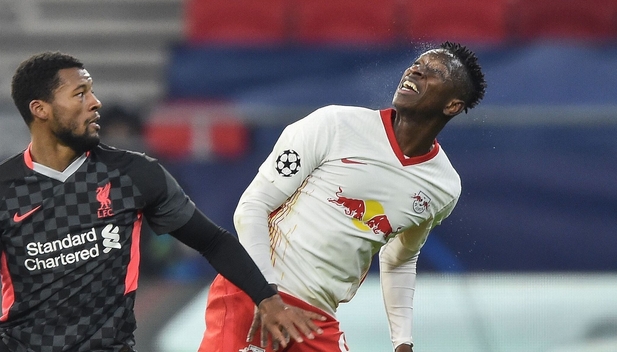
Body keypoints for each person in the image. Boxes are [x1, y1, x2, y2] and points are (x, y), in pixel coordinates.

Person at [0, 52, 325, 352]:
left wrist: (267, 298)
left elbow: (212, 241)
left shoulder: (134, 174)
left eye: (92, 91)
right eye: (80, 94)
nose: (95, 103)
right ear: (41, 109)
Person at [199, 42, 487, 352]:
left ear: (452, 106)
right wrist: (265, 296)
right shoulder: (334, 125)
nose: (416, 69)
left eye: (434, 72)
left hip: (316, 319)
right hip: (252, 293)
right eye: (417, 63)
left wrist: (402, 342)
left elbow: (400, 259)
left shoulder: (442, 186)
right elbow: (252, 207)